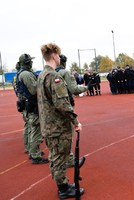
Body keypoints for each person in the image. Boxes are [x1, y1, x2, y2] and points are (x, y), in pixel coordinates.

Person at [37, 43, 84, 198]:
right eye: (57, 55)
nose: (59, 57)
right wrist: (75, 121)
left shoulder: (42, 75)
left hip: (48, 126)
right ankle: (63, 188)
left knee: (54, 157)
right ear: (53, 56)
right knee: (60, 159)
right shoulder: (53, 76)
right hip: (57, 127)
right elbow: (62, 103)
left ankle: (62, 184)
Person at [55, 54, 88, 168]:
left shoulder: (50, 73)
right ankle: (69, 159)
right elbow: (74, 89)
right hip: (65, 105)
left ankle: (59, 156)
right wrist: (85, 87)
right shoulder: (65, 72)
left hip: (52, 108)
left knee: (57, 134)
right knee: (67, 133)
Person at [17, 54, 48, 164]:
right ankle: (35, 155)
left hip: (28, 104)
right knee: (36, 130)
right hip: (32, 105)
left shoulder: (22, 73)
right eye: (30, 61)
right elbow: (34, 90)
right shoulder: (26, 74)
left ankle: (33, 151)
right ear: (27, 62)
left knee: (32, 129)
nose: (31, 63)